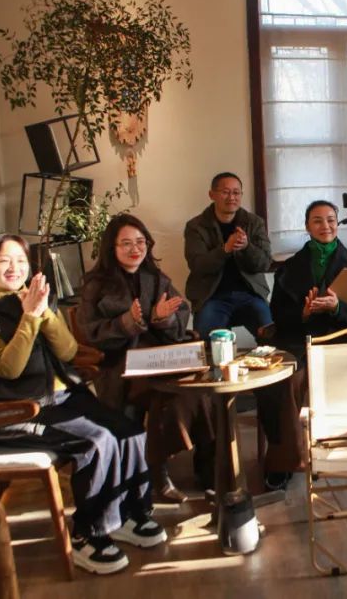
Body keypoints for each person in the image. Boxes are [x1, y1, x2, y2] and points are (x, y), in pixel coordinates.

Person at [0, 234, 165, 576]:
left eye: (20, 261)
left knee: (129, 431)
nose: (14, 268)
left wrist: (44, 313)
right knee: (96, 442)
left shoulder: (29, 300)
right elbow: (9, 368)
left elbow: (67, 351)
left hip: (57, 398)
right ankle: (87, 536)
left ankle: (128, 513)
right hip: (7, 412)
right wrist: (30, 316)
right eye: (4, 261)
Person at [77, 214, 214, 505]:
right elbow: (90, 334)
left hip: (160, 356)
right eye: (126, 243)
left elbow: (181, 314)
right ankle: (157, 475)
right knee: (163, 397)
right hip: (120, 364)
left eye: (140, 242)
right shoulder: (95, 285)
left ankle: (208, 468)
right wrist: (127, 322)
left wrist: (162, 319)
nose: (135, 249)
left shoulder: (156, 278)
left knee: (199, 392)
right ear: (112, 248)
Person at [267, 200, 347, 489]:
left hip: (338, 340)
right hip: (298, 339)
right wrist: (302, 313)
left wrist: (336, 308)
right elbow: (277, 314)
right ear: (307, 226)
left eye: (330, 220)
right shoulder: (290, 267)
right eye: (317, 220)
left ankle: (337, 448)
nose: (325, 226)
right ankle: (284, 460)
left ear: (337, 224)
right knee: (285, 383)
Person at [185, 172, 273, 342]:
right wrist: (225, 249)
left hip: (250, 295)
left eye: (236, 192)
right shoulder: (196, 226)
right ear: (212, 195)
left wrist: (247, 247)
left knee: (273, 336)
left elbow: (264, 263)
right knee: (206, 346)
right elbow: (198, 265)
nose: (231, 197)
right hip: (212, 297)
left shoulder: (254, 223)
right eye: (225, 192)